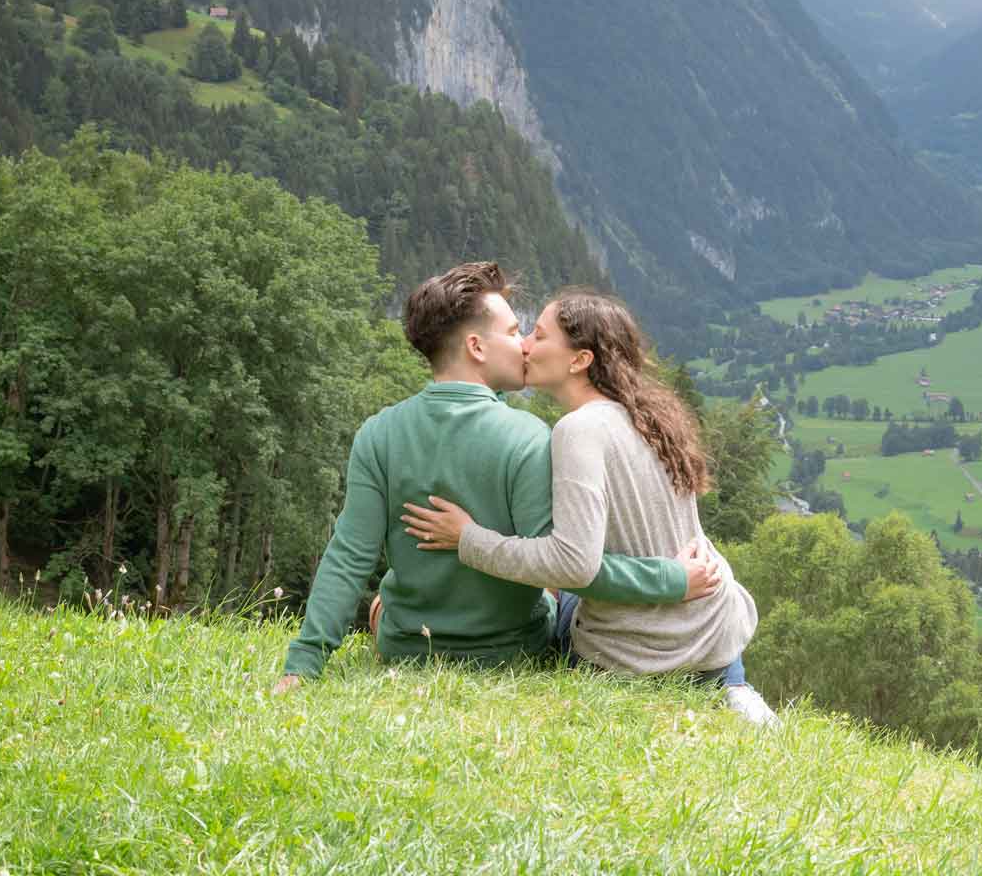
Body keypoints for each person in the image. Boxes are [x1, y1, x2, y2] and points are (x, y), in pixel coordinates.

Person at [272, 262, 722, 694]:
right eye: (512, 332)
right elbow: (574, 570)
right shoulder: (529, 438)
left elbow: (349, 556)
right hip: (513, 654)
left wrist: (305, 662)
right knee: (559, 589)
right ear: (477, 347)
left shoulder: (378, 434)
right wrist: (673, 578)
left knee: (381, 604)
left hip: (407, 646)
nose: (523, 344)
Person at [401, 288, 775, 725]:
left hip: (632, 652)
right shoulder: (650, 417)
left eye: (538, 337)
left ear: (579, 360)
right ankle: (730, 686)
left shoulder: (578, 430)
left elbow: (574, 564)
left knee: (546, 601)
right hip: (712, 629)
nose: (524, 345)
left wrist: (468, 538)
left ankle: (719, 689)